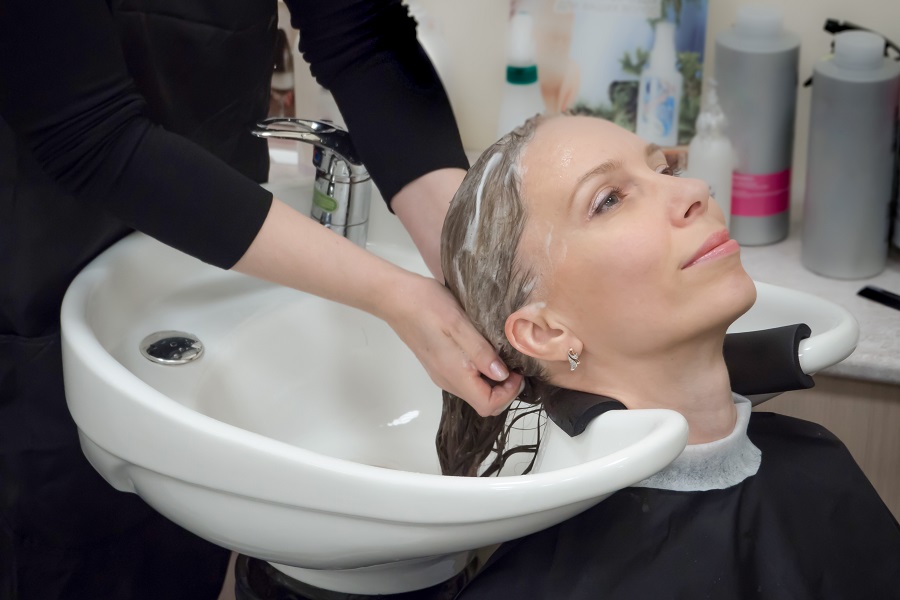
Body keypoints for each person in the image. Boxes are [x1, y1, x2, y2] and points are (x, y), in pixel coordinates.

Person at [0, 0, 523, 597]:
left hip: (220, 258)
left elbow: (361, 38)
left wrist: (469, 261)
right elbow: (88, 130)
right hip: (40, 289)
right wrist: (393, 293)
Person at [437, 114, 900, 598]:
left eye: (666, 171)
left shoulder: (817, 462)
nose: (695, 190)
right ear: (547, 332)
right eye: (609, 199)